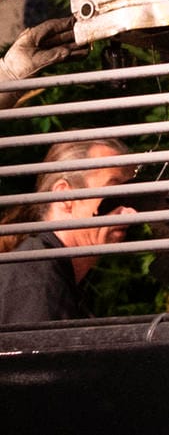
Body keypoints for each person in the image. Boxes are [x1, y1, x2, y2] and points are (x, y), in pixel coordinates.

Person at [0, 139, 137, 325]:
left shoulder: (49, 276)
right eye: (114, 191)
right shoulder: (38, 285)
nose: (131, 212)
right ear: (65, 196)